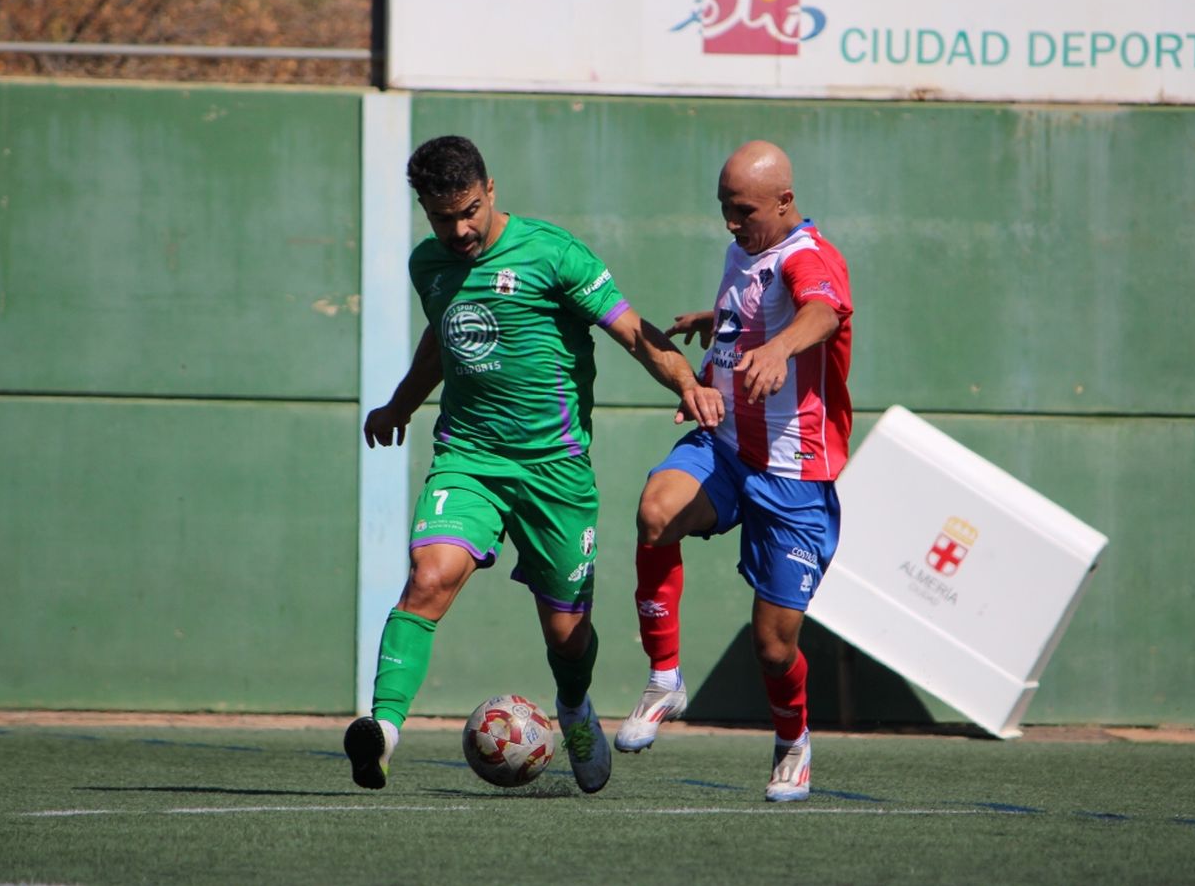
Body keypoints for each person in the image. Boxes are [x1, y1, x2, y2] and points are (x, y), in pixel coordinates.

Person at [343, 135, 723, 794]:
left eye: (467, 210)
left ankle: (574, 707)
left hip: (555, 472)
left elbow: (632, 331)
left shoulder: (552, 253)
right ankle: (383, 733)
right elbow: (443, 334)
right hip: (469, 459)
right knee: (429, 577)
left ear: (490, 191)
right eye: (441, 218)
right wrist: (400, 404)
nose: (458, 229)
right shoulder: (427, 265)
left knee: (568, 636)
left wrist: (686, 382)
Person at [614, 140, 853, 803]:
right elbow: (754, 307)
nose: (731, 222)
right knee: (655, 512)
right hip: (724, 444)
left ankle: (792, 742)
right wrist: (713, 320)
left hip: (793, 474)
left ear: (785, 201)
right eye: (724, 209)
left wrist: (777, 349)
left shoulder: (811, 255)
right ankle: (665, 677)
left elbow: (821, 310)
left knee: (774, 650)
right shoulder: (743, 250)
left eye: (743, 210)